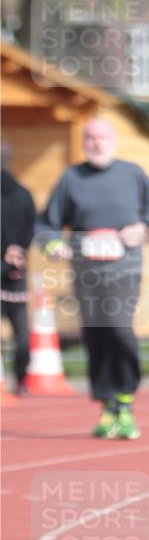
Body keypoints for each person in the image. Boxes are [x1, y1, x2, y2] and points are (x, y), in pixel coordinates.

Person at [38, 118, 149, 439]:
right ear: (84, 143)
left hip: (124, 271)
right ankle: (107, 407)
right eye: (90, 138)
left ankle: (126, 401)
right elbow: (46, 224)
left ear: (114, 140)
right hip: (87, 274)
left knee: (120, 331)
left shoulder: (133, 174)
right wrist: (52, 245)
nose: (97, 143)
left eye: (102, 137)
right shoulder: (71, 178)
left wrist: (142, 228)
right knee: (96, 337)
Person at [1, 145, 36, 395]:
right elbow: (32, 226)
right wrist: (19, 250)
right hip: (18, 269)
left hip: (10, 268)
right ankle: (21, 380)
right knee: (21, 332)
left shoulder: (22, 194)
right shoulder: (24, 193)